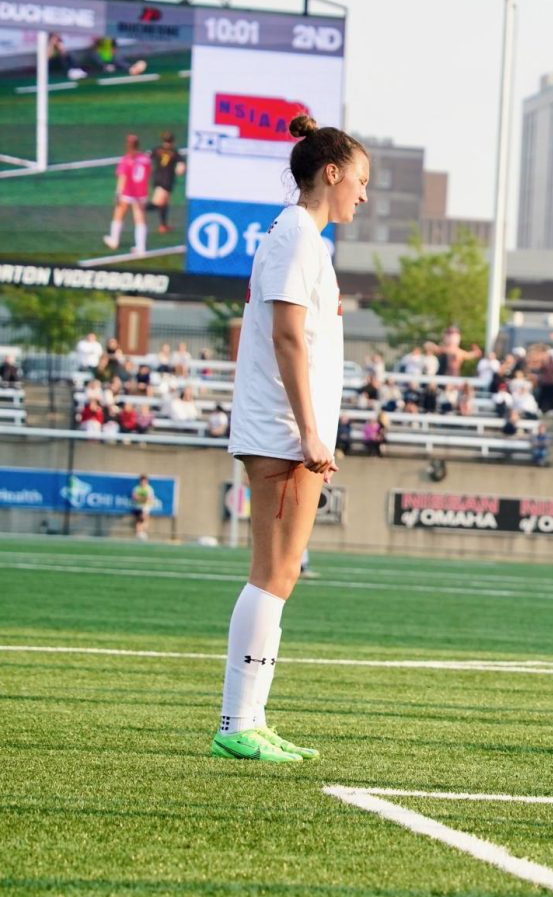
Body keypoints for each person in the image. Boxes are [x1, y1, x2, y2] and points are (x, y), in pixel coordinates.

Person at [214, 113, 367, 763]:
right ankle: (237, 720)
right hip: (281, 430)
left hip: (287, 429)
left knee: (281, 574)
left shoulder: (301, 236)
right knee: (273, 573)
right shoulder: (298, 236)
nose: (363, 194)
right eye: (359, 180)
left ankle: (252, 714)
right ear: (329, 173)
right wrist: (309, 431)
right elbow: (284, 336)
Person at [103, 134, 152, 255]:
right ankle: (141, 248)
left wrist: (117, 194)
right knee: (140, 219)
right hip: (141, 194)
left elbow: (122, 178)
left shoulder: (125, 160)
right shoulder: (146, 159)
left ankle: (114, 240)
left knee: (118, 214)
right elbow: (148, 174)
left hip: (127, 193)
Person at [149, 131, 186, 234]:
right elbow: (181, 168)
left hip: (157, 178)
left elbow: (147, 159)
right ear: (173, 141)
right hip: (167, 180)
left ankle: (163, 225)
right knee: (157, 204)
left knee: (164, 204)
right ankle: (138, 207)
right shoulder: (174, 152)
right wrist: (180, 169)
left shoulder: (156, 149)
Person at [130, 474, 156, 541]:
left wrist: (141, 499)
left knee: (144, 518)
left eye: (144, 481)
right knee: (139, 520)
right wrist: (142, 498)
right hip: (137, 507)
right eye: (142, 481)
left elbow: (149, 499)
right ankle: (139, 533)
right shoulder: (136, 488)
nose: (143, 482)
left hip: (146, 506)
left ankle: (142, 533)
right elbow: (134, 497)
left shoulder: (149, 489)